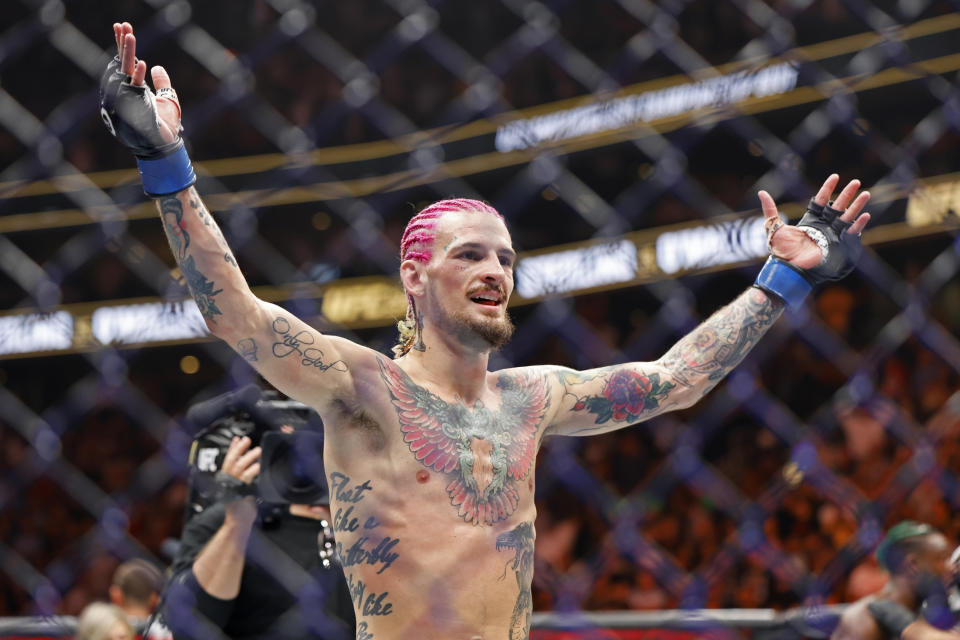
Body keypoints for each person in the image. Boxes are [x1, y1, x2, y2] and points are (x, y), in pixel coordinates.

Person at [100, 21, 871, 640]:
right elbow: (233, 311)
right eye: (469, 254)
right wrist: (166, 165)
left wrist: (783, 281)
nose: (497, 269)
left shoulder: (533, 398)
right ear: (414, 276)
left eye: (505, 257)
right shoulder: (363, 387)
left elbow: (675, 381)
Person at [162, 407, 355, 639]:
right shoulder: (222, 522)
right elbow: (189, 626)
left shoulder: (367, 524)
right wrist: (238, 521)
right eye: (287, 444)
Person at [831, 521, 959, 640]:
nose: (952, 567)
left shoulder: (926, 612)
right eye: (941, 559)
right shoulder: (864, 619)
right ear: (912, 565)